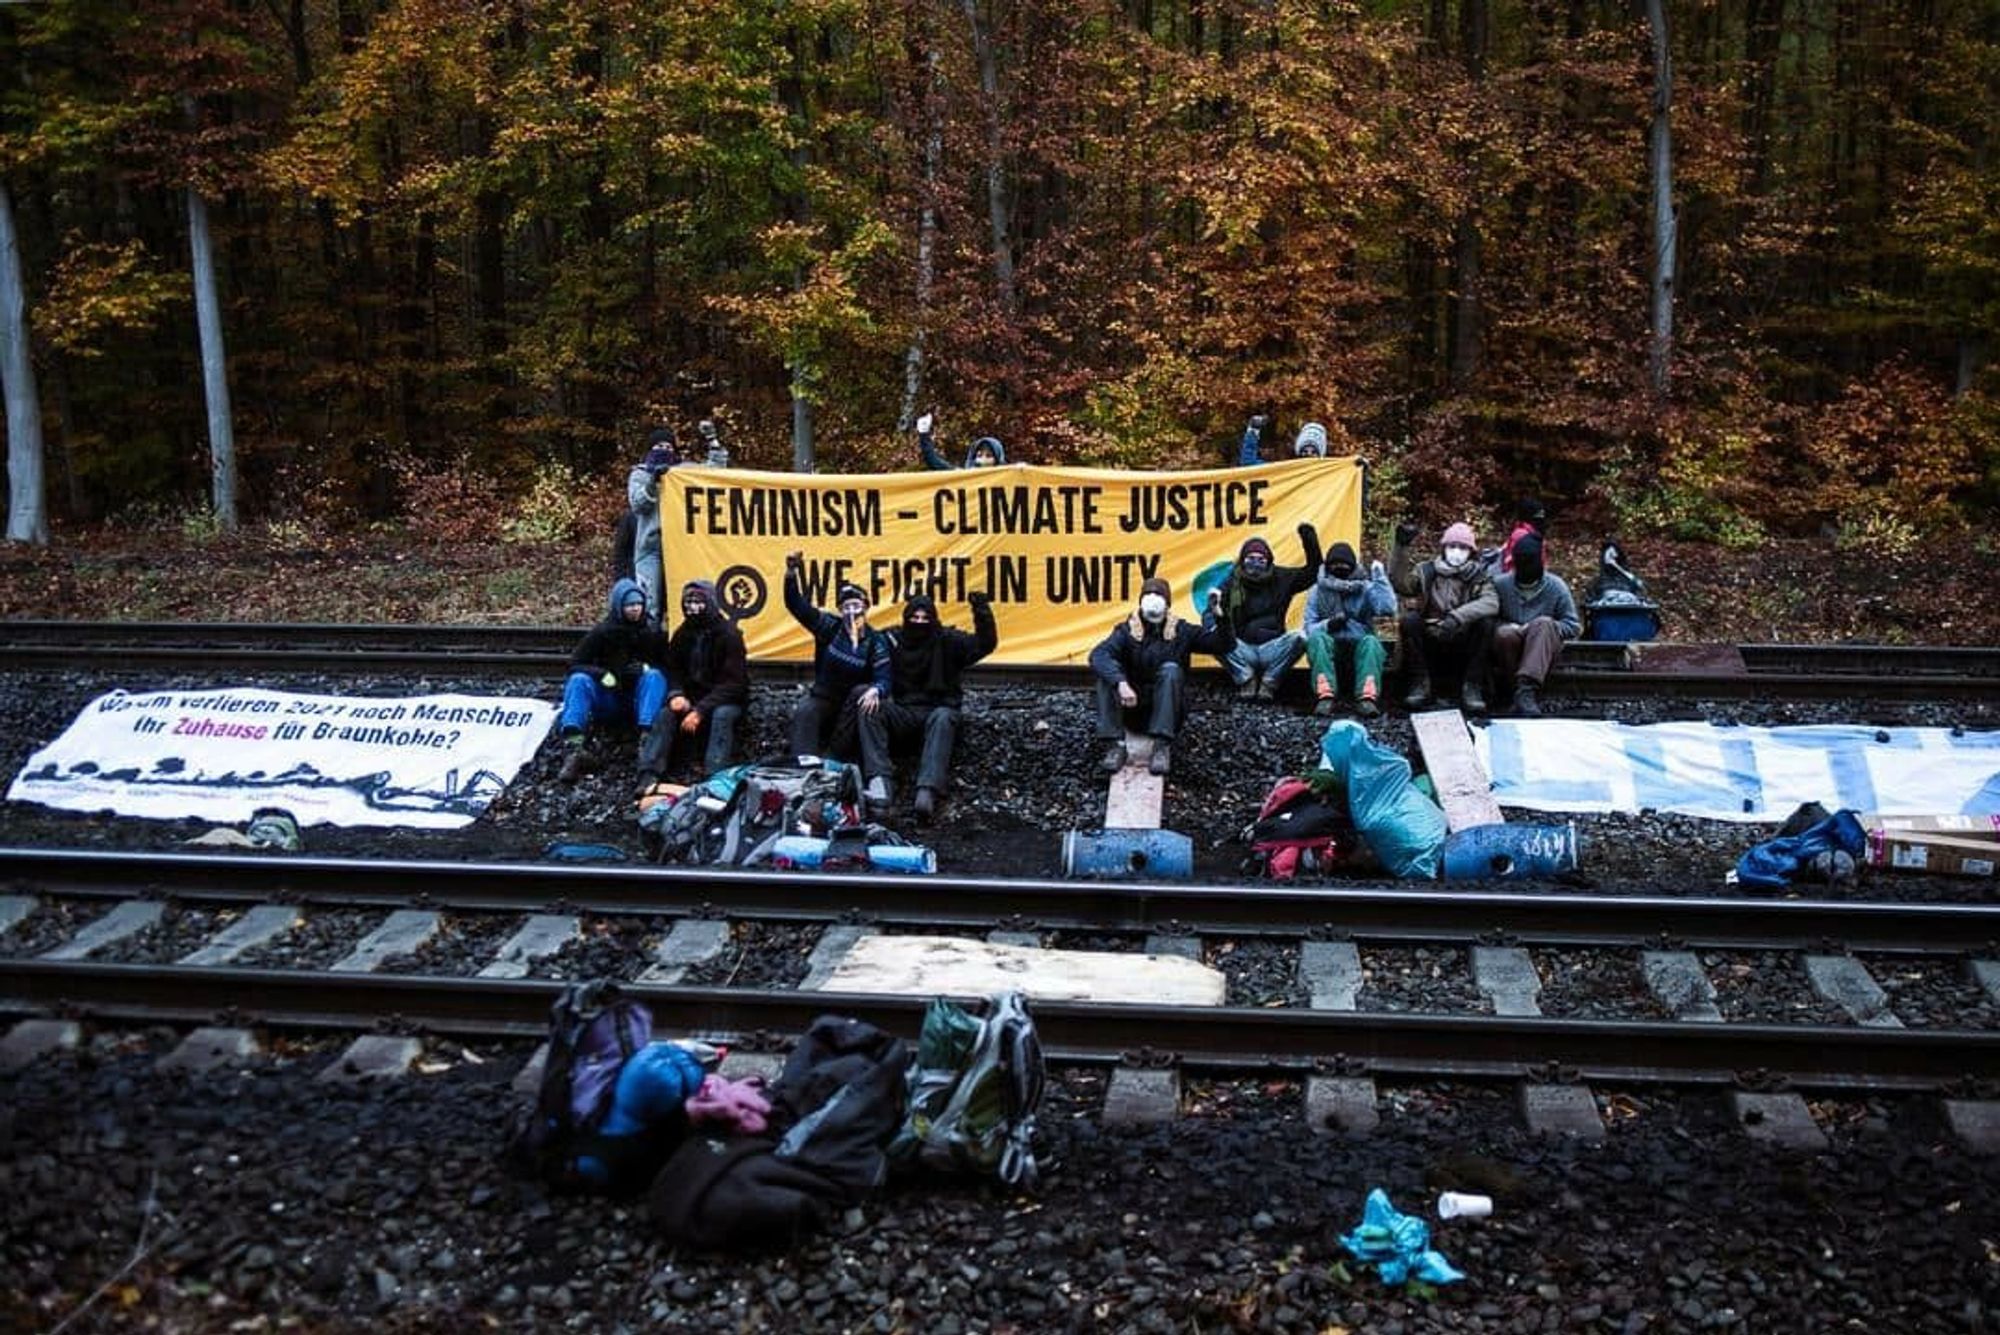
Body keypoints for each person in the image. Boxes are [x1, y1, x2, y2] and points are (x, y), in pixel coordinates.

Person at [854, 589, 998, 821]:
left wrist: (981, 609)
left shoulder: (948, 640)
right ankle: (880, 781)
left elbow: (985, 644)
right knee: (869, 706)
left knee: (943, 717)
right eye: (914, 618)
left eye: (924, 619)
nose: (919, 623)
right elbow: (863, 645)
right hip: (904, 712)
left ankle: (927, 791)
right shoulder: (893, 639)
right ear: (906, 618)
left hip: (938, 711)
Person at [1088, 575, 1235, 777]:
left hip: (1168, 715)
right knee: (1106, 676)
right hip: (1132, 709)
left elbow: (1224, 645)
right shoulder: (1126, 631)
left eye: (1158, 594)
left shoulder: (1182, 630)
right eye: (1148, 594)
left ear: (1168, 602)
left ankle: (1161, 748)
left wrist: (1221, 617)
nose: (1153, 598)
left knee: (1171, 670)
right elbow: (1099, 654)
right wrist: (1120, 682)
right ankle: (1115, 745)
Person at [784, 553, 894, 786]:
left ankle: (833, 764)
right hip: (824, 698)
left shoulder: (876, 641)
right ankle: (799, 772)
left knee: (864, 697)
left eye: (856, 605)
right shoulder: (829, 627)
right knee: (805, 710)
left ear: (866, 607)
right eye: (846, 607)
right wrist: (791, 574)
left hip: (852, 705)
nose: (852, 611)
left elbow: (884, 678)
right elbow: (797, 606)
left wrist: (877, 690)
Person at [635, 579, 750, 791]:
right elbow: (672, 669)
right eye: (688, 603)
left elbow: (735, 684)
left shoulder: (729, 635)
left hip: (724, 701)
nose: (693, 608)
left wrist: (701, 710)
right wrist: (676, 694)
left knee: (722, 715)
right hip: (692, 699)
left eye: (698, 602)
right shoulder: (683, 634)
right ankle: (648, 775)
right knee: (665, 715)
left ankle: (715, 777)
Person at [556, 579, 670, 783]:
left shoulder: (651, 632)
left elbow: (669, 667)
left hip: (639, 701)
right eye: (629, 605)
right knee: (579, 680)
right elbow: (574, 663)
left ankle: (646, 741)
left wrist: (646, 668)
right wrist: (600, 673)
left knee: (654, 677)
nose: (635, 609)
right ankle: (574, 746)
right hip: (610, 697)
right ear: (619, 606)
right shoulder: (603, 632)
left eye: (638, 604)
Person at [1389, 520, 1499, 713]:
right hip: (1431, 635)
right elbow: (1401, 584)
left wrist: (1457, 617)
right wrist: (1401, 548)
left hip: (1463, 637)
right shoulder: (1427, 570)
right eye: (1452, 546)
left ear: (1471, 552)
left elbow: (1491, 602)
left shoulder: (1479, 575)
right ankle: (1420, 683)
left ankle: (1472, 686)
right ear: (1444, 548)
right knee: (1409, 620)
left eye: (1463, 548)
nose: (1456, 552)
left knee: (1486, 624)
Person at [1219, 524, 1322, 700]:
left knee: (1300, 637)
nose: (1255, 563)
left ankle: (1269, 682)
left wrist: (1309, 539)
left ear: (1268, 560)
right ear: (1242, 559)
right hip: (1242, 648)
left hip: (1273, 647)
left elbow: (1313, 572)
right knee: (1215, 637)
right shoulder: (1231, 583)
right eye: (1250, 558)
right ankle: (1246, 680)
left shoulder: (1282, 578)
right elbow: (1212, 612)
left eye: (1261, 559)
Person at [1301, 542, 1397, 718]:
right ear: (1327, 568)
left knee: (1372, 641)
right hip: (1332, 652)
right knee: (1317, 638)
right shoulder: (1317, 590)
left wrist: (1380, 579)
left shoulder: (1366, 587)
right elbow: (1308, 627)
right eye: (1335, 566)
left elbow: (1387, 611)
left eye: (1344, 566)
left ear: (1353, 567)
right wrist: (1328, 625)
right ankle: (1325, 697)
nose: (1339, 569)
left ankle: (1367, 698)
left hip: (1361, 650)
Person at [1489, 533, 1579, 718]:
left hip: (1543, 648)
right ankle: (1511, 690)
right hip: (1509, 647)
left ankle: (1526, 691)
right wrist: (1510, 626)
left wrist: (1537, 628)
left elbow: (1573, 626)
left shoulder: (1556, 586)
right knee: (1504, 633)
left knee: (1543, 623)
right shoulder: (1500, 585)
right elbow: (1487, 620)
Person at [626, 429, 679, 624]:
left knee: (684, 600)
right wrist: (652, 482)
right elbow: (638, 504)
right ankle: (646, 648)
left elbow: (714, 471)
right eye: (659, 446)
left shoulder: (683, 472)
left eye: (668, 447)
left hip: (682, 547)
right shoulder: (639, 474)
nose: (664, 450)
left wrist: (713, 441)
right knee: (648, 603)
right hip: (650, 547)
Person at [916, 412, 1006, 469]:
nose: (982, 460)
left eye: (988, 456)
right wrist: (924, 434)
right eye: (979, 455)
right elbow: (934, 461)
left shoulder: (1007, 481)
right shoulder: (964, 477)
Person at [1495, 498, 1548, 574]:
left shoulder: (1534, 533)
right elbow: (1511, 564)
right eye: (1538, 515)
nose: (1541, 519)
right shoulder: (1520, 535)